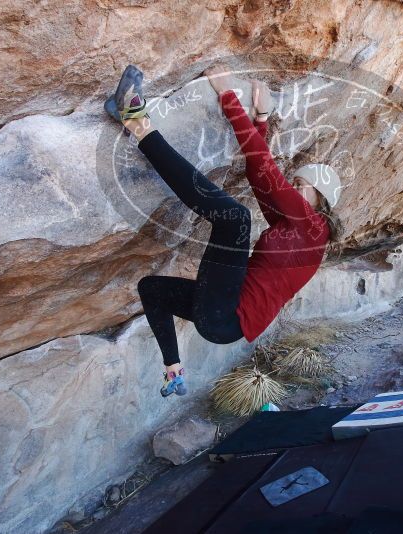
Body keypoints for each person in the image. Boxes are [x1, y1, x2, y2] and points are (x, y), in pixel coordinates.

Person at [104, 65, 343, 398]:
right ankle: (173, 370)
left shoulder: (314, 227)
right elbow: (259, 176)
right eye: (295, 183)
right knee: (152, 288)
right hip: (217, 318)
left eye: (304, 187)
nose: (294, 189)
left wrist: (228, 95)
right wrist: (261, 120)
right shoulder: (295, 230)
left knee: (235, 218)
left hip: (228, 316)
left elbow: (265, 168)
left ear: (322, 203)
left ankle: (137, 121)